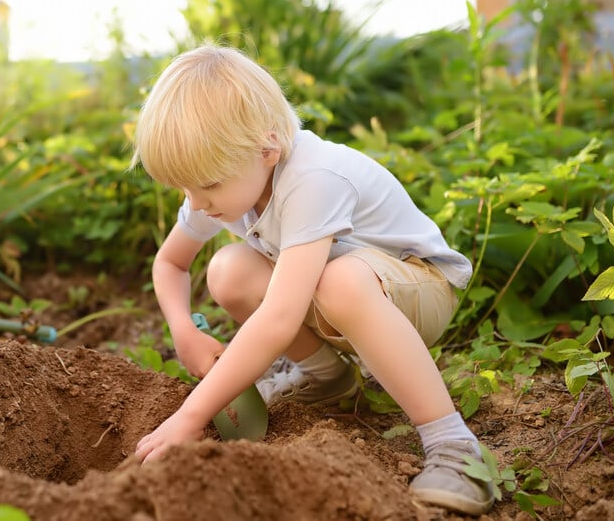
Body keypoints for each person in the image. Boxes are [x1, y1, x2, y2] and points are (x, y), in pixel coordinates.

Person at [129, 45, 495, 515]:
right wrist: (182, 328)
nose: (196, 204)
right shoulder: (221, 183)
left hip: (418, 290)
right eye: (185, 189)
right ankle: (327, 376)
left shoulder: (312, 177)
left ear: (267, 149)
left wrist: (190, 415)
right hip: (342, 296)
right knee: (229, 270)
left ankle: (453, 444)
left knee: (338, 281)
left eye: (208, 186)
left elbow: (280, 318)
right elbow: (171, 264)